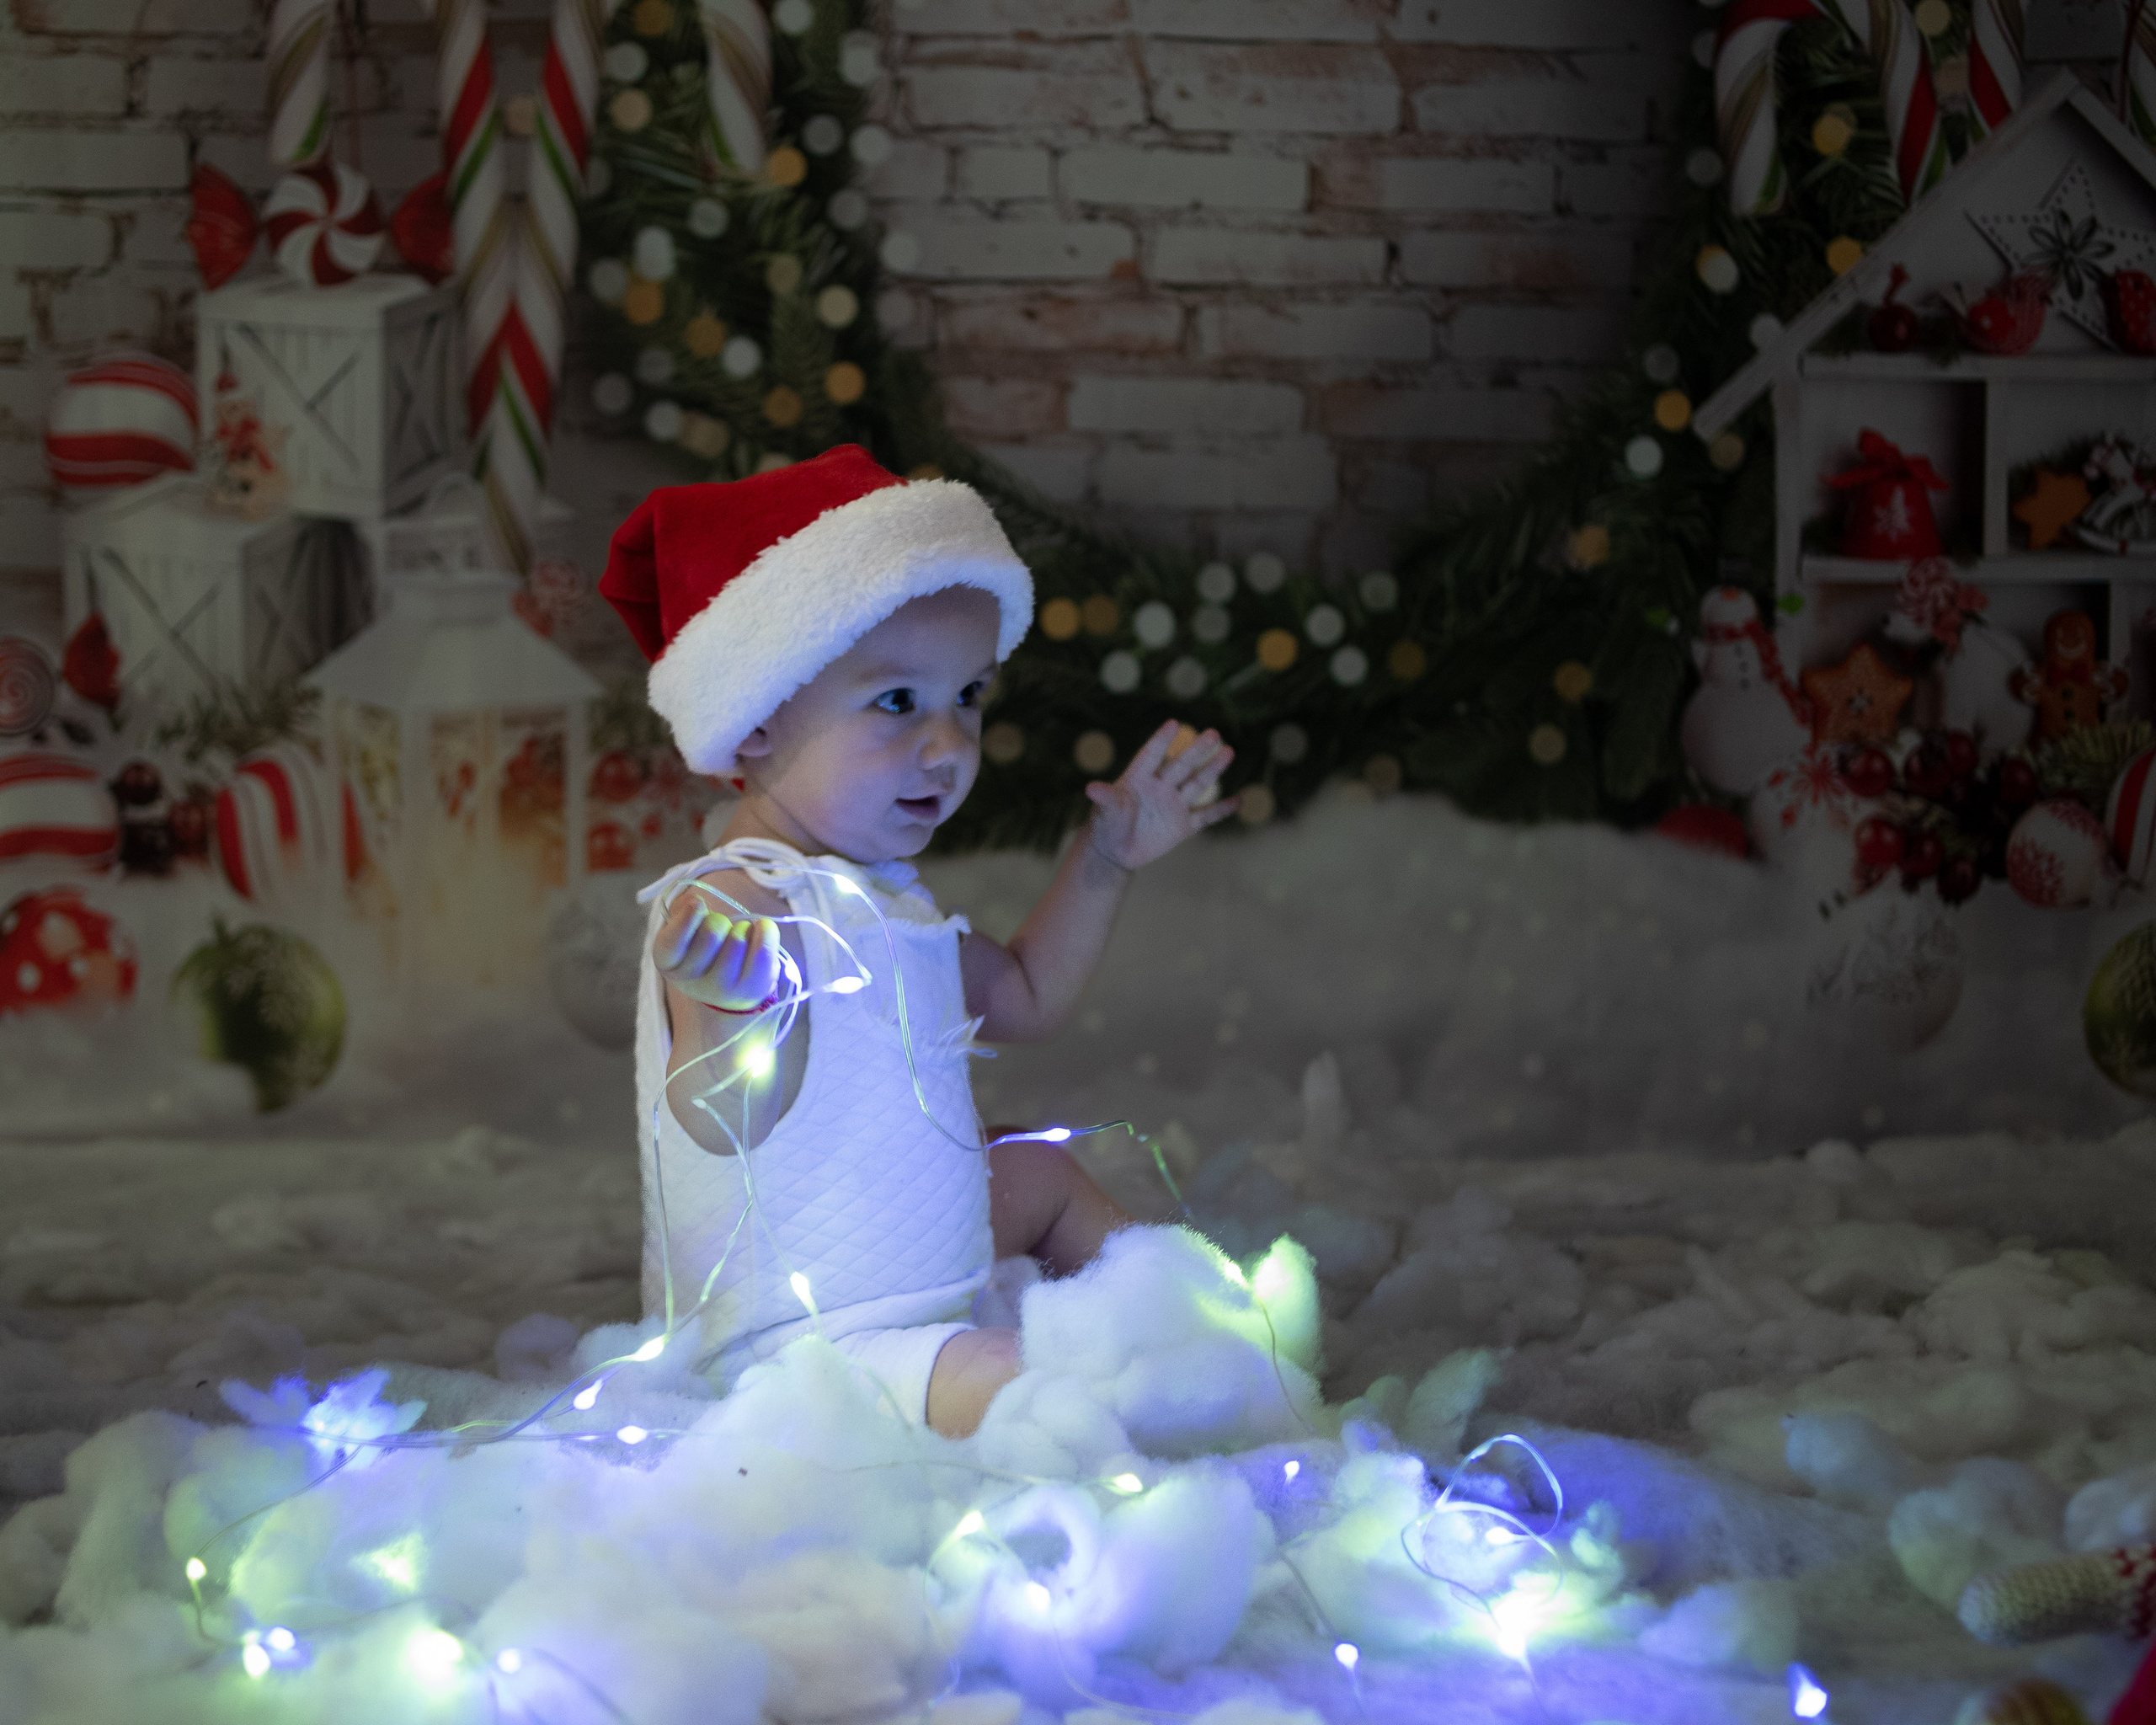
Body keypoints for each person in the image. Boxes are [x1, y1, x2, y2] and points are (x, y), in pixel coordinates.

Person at [599, 446, 1237, 1439]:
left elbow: (1025, 993)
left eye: (968, 698)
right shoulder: (736, 903)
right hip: (804, 1340)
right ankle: (1159, 1405)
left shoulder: (883, 901)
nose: (948, 746)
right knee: (1017, 1378)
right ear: (759, 718)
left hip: (916, 1267)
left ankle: (1208, 1329)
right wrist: (732, 1016)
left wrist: (1107, 857)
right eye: (897, 701)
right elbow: (724, 1118)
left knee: (1042, 1173)